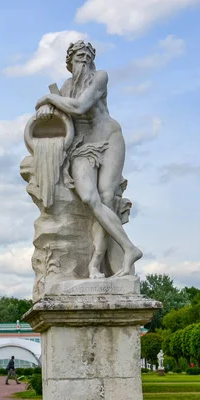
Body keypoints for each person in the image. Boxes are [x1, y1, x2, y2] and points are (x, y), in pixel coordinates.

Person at [35, 40, 142, 278]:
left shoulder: (99, 77)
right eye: (78, 56)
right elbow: (62, 112)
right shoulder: (65, 87)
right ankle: (130, 248)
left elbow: (80, 106)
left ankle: (95, 263)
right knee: (90, 198)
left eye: (87, 56)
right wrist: (47, 110)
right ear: (70, 62)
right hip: (83, 147)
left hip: (109, 139)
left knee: (106, 197)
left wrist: (48, 99)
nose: (83, 60)